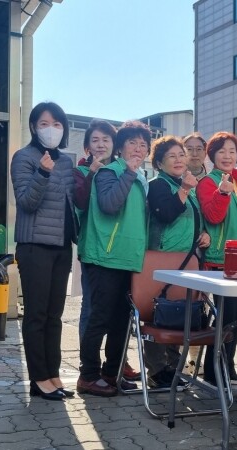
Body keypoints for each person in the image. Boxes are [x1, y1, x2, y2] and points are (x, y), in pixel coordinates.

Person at [77, 121, 149, 397]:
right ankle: (88, 375)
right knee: (100, 317)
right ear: (120, 147)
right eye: (132, 143)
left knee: (121, 320)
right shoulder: (109, 172)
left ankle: (112, 372)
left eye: (143, 144)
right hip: (104, 257)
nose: (138, 148)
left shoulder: (140, 177)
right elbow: (109, 205)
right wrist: (129, 173)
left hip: (129, 258)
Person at [11, 101, 76, 401]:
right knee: (36, 315)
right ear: (34, 127)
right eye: (44, 124)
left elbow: (71, 205)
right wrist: (42, 172)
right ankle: (39, 379)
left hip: (62, 246)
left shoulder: (66, 162)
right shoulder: (24, 157)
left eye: (57, 124)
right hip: (34, 246)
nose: (51, 129)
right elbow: (26, 202)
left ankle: (53, 373)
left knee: (54, 316)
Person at [145, 135, 211, 388]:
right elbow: (166, 214)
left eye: (181, 155)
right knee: (157, 313)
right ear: (159, 163)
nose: (178, 159)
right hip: (162, 259)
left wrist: (204, 234)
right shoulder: (158, 185)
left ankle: (174, 367)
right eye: (171, 156)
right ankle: (156, 370)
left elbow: (195, 219)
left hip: (186, 260)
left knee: (178, 313)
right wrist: (184, 189)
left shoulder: (186, 187)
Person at [197, 131, 237, 386]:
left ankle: (226, 366)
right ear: (212, 155)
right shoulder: (208, 183)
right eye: (222, 151)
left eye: (232, 151)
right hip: (222, 258)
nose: (227, 156)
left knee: (235, 317)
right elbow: (213, 217)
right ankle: (215, 371)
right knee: (226, 317)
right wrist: (222, 193)